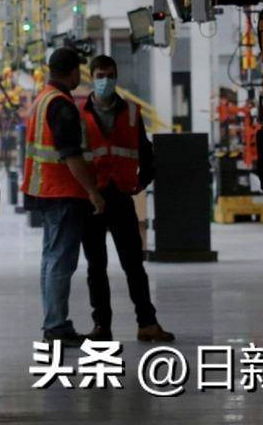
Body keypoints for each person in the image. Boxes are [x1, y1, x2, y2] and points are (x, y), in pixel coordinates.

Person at [79, 55, 175, 344]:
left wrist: (143, 181)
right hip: (92, 198)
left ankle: (147, 323)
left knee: (134, 265)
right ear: (92, 77)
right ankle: (102, 326)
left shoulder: (132, 112)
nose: (105, 80)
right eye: (100, 75)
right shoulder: (79, 113)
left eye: (110, 75)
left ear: (116, 76)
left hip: (121, 195)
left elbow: (145, 150)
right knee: (96, 267)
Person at [22, 47, 103, 345]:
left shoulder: (43, 98)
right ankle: (56, 326)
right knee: (61, 261)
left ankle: (53, 323)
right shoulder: (61, 105)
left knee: (51, 258)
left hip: (45, 190)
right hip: (63, 192)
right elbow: (71, 155)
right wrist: (93, 192)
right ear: (73, 72)